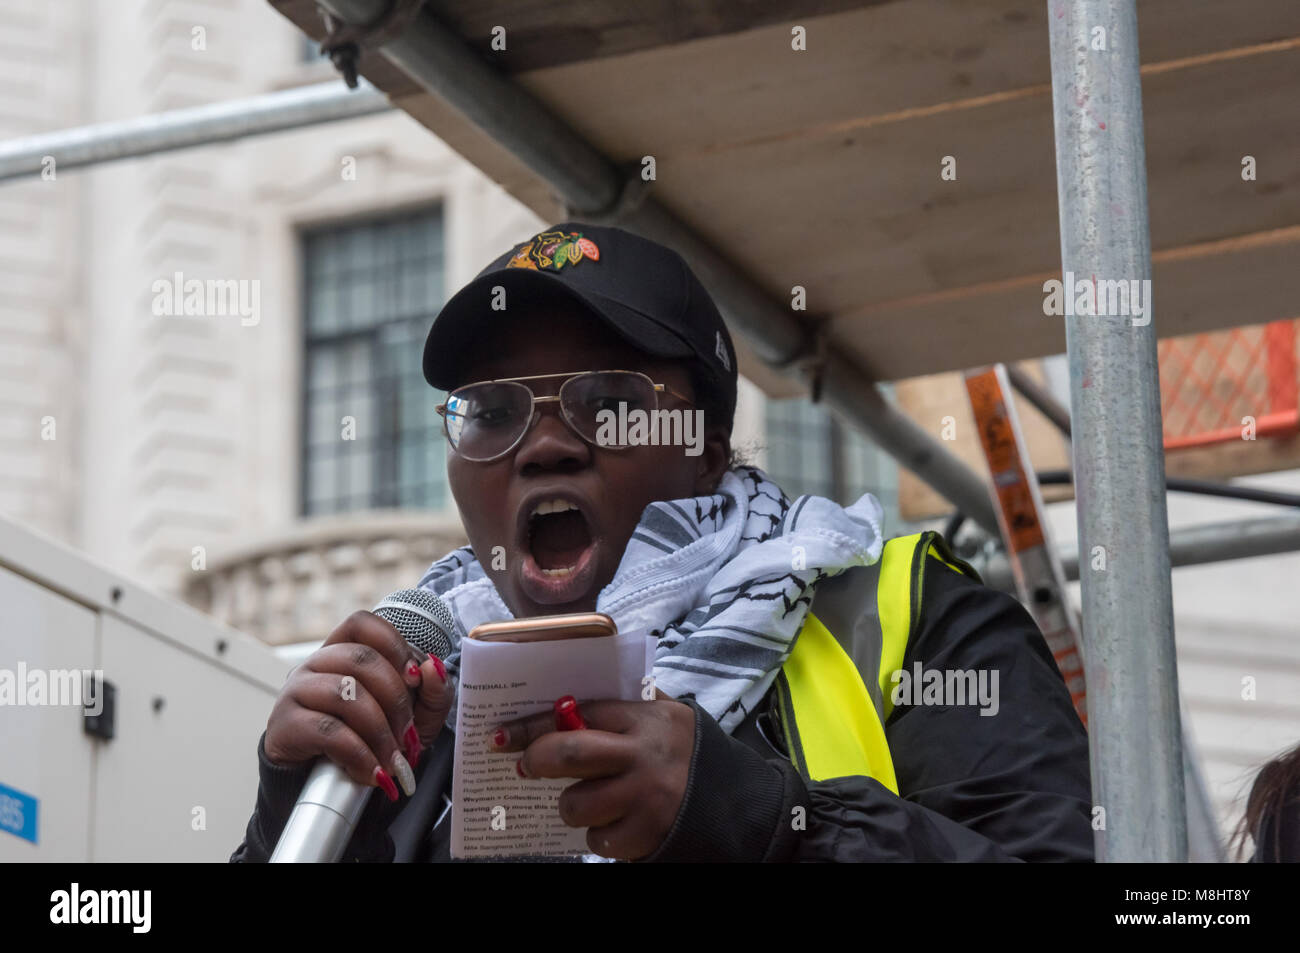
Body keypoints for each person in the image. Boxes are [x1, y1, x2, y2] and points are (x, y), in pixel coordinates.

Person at [232, 223, 1094, 862]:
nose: (544, 445)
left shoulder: (910, 617)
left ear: (707, 448)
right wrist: (295, 816)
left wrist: (754, 820)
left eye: (608, 401)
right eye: (493, 412)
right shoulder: (416, 703)